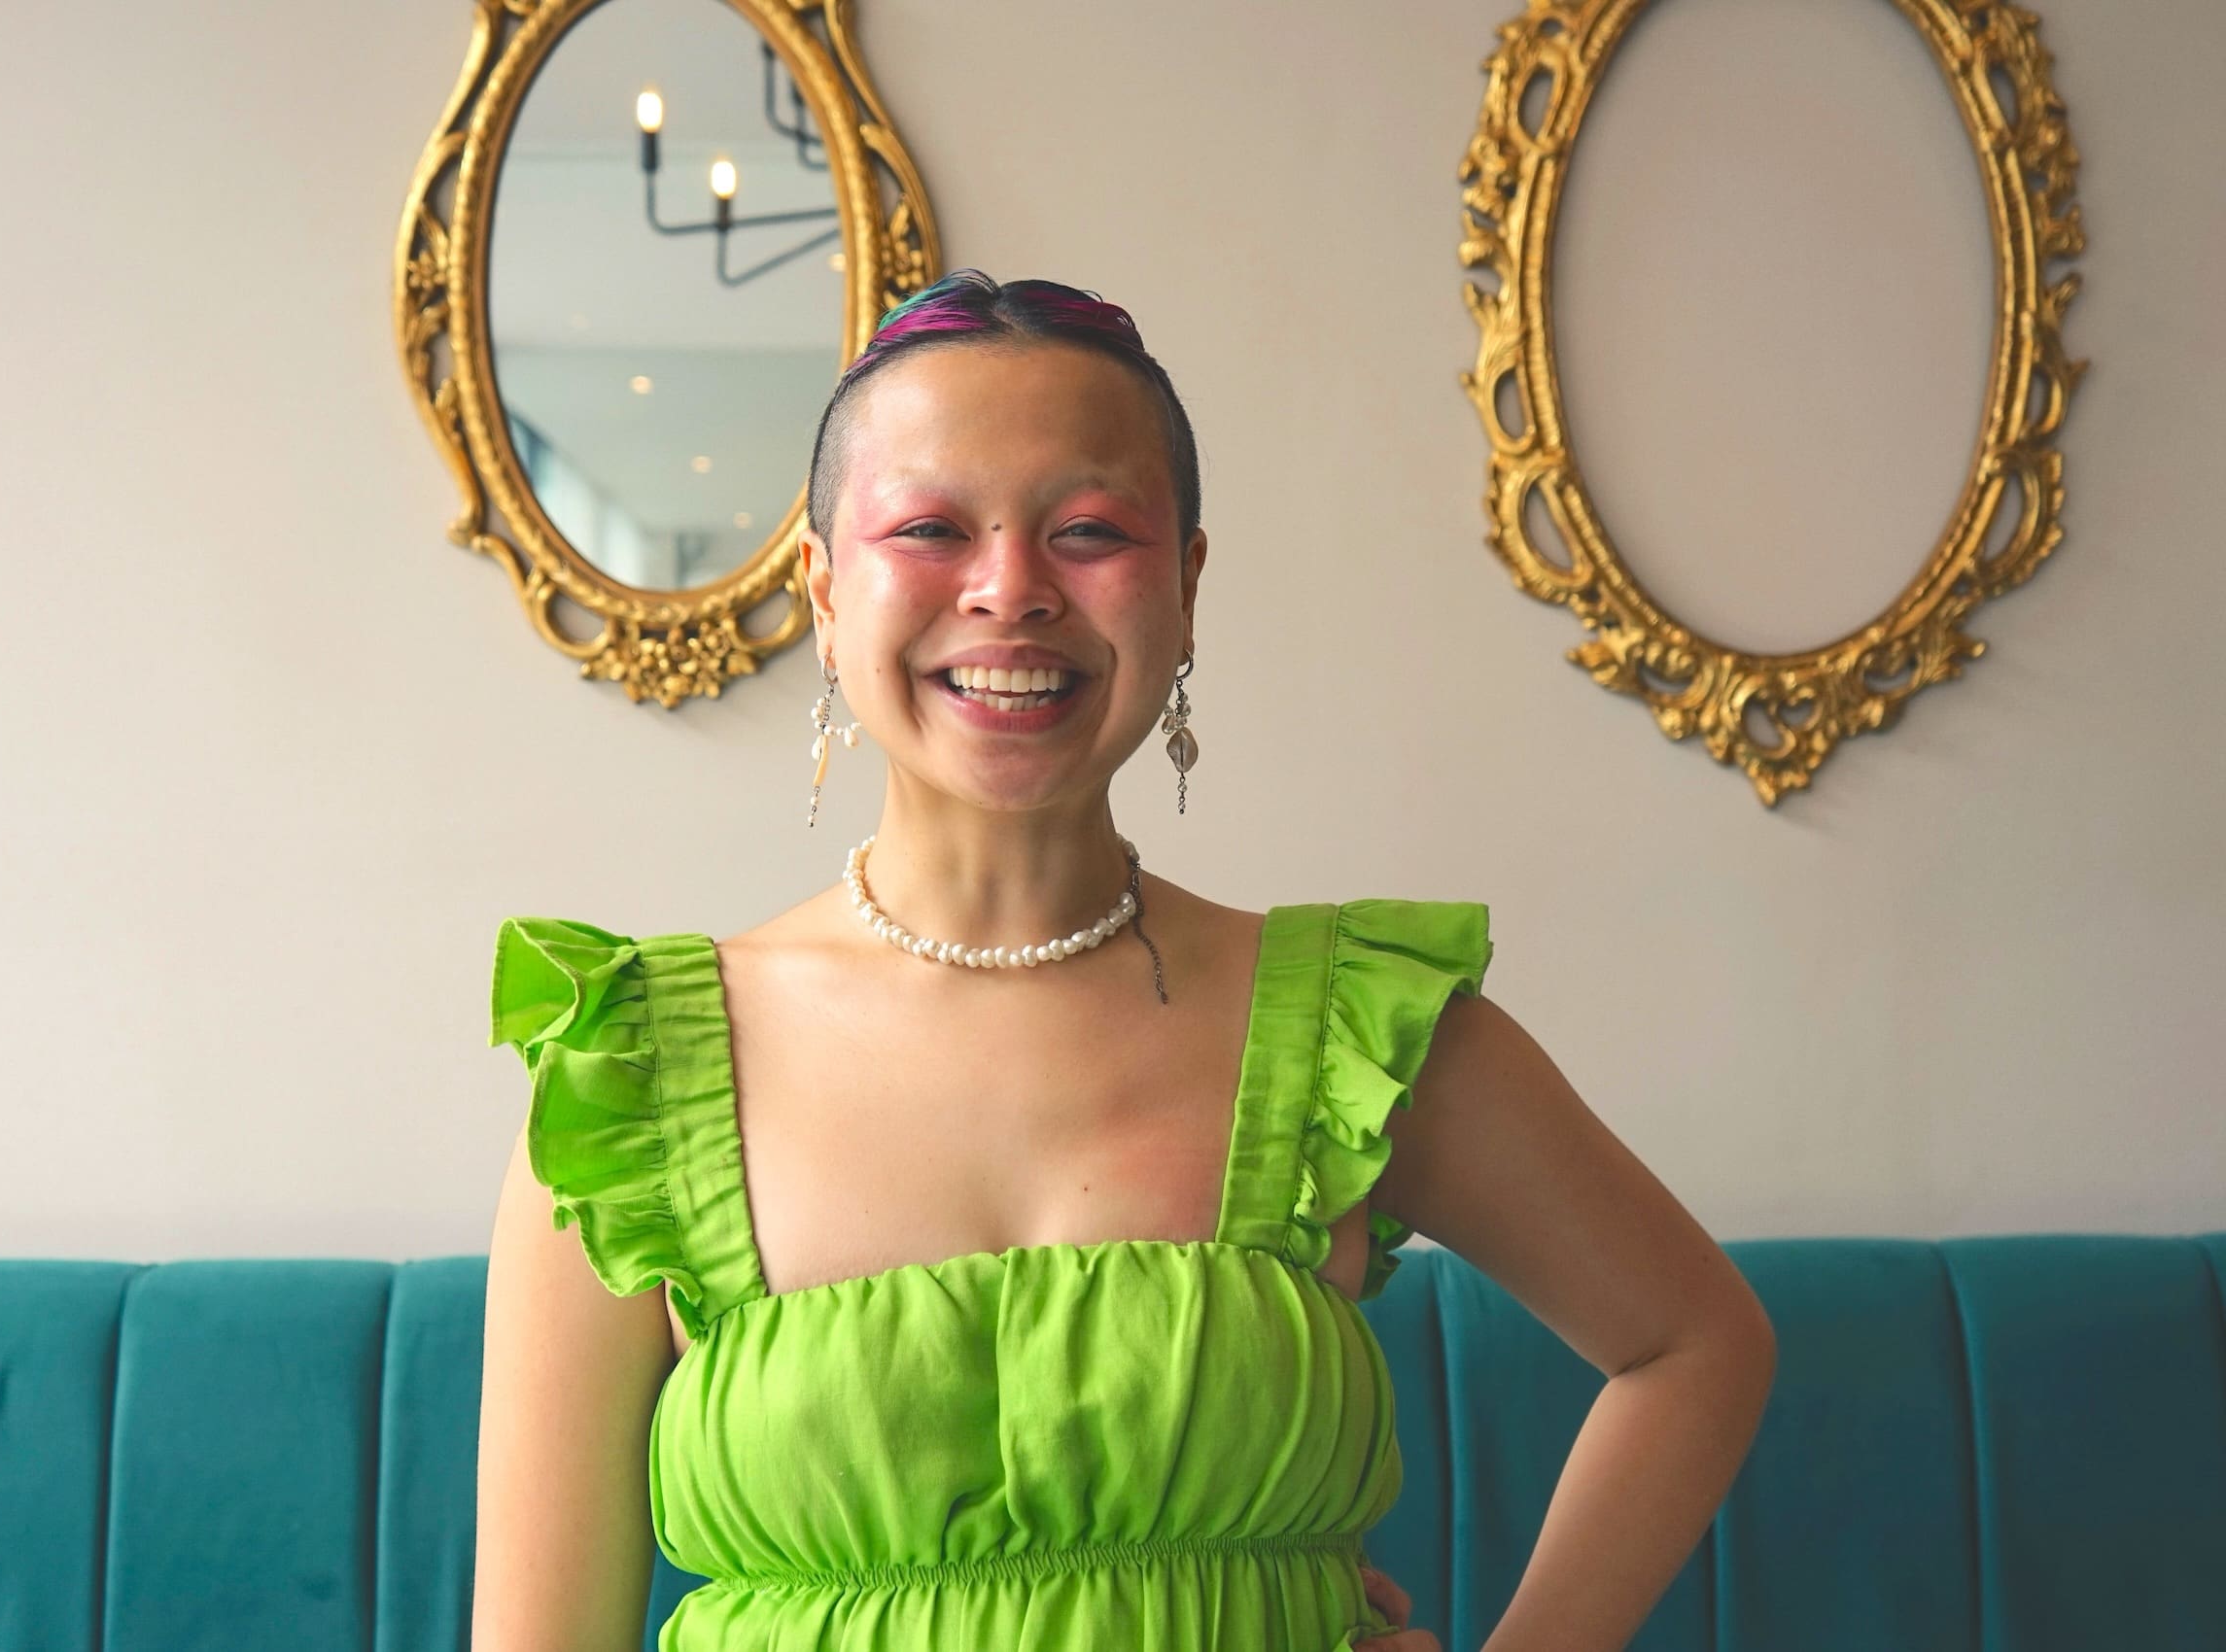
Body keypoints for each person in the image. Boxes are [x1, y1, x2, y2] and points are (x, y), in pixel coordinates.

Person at [473, 270, 1776, 1651]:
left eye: (1089, 531)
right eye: (929, 528)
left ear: (1187, 587)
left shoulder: (1357, 1028)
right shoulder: (630, 1078)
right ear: (825, 586)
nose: (1010, 590)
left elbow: (1695, 1344)